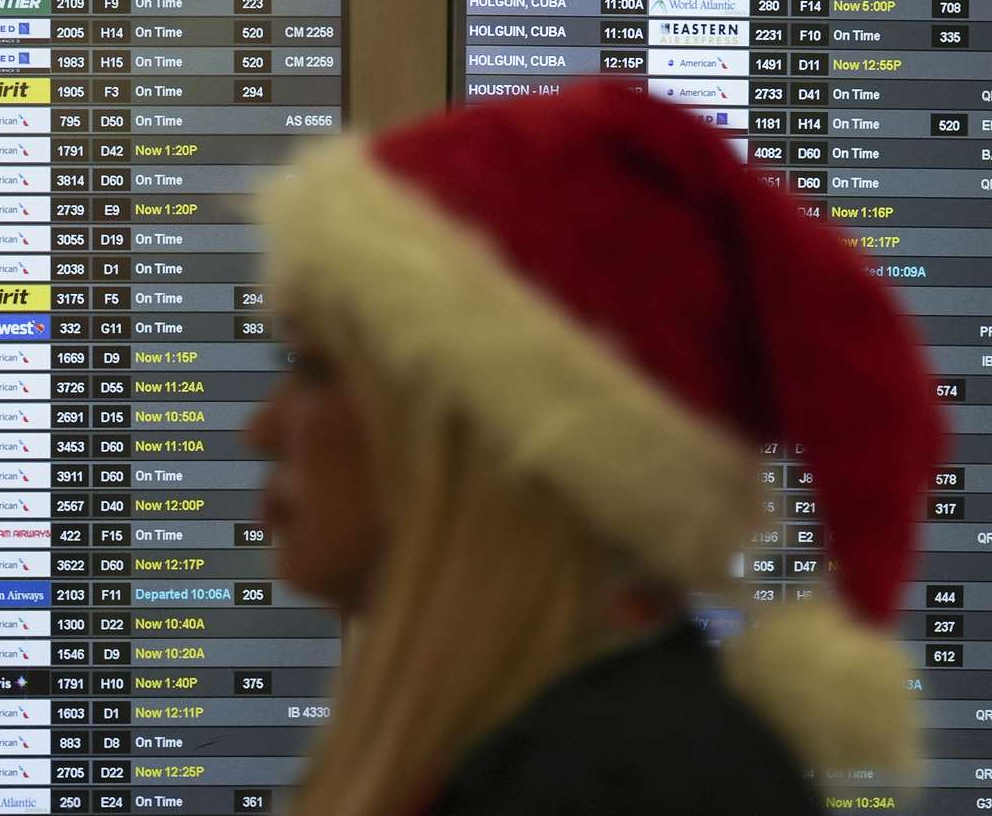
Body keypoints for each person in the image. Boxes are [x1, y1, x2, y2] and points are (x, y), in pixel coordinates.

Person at [244, 81, 943, 815]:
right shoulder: (553, 748)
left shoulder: (615, 782)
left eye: (316, 369)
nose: (261, 429)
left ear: (494, 439)